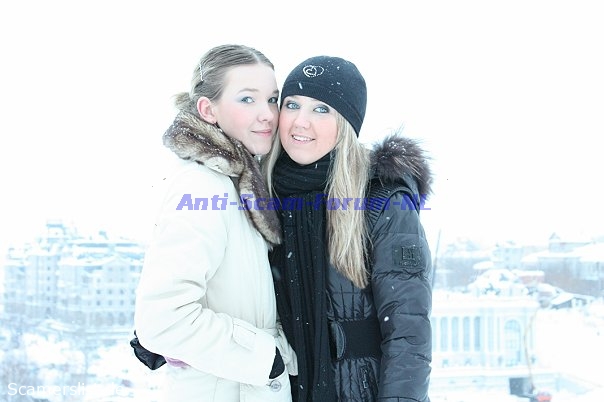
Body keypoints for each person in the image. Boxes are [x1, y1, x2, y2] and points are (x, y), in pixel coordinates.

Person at [263, 56, 433, 401]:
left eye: (321, 109)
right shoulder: (261, 196)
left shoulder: (381, 200)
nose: (300, 121)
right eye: (292, 105)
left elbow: (408, 333)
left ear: (346, 123)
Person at [133, 44, 296, 402]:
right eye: (247, 99)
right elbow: (162, 318)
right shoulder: (203, 186)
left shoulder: (240, 183)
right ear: (208, 110)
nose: (268, 114)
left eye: (272, 99)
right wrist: (265, 358)